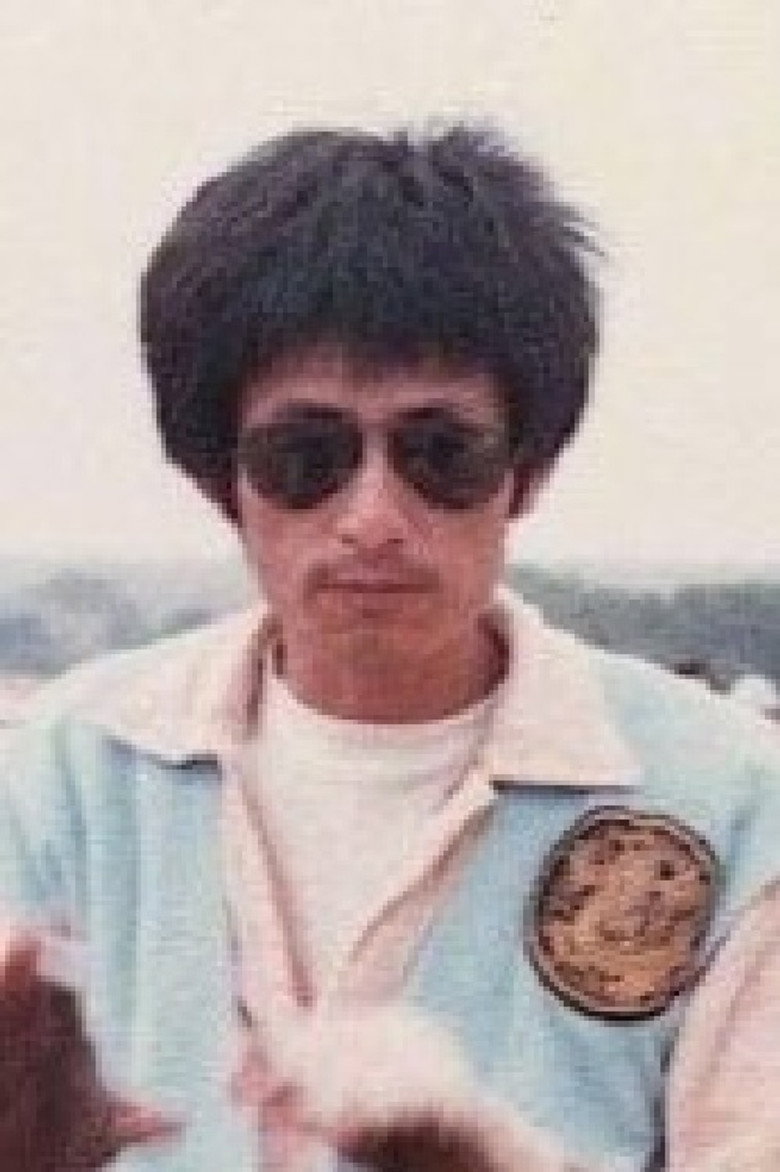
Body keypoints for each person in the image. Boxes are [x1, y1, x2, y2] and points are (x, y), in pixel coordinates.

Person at [2, 125, 780, 1172]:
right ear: (221, 479)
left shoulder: (732, 803)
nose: (373, 516)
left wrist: (486, 1158)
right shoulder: (58, 774)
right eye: (305, 456)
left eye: (441, 453)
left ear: (528, 470)